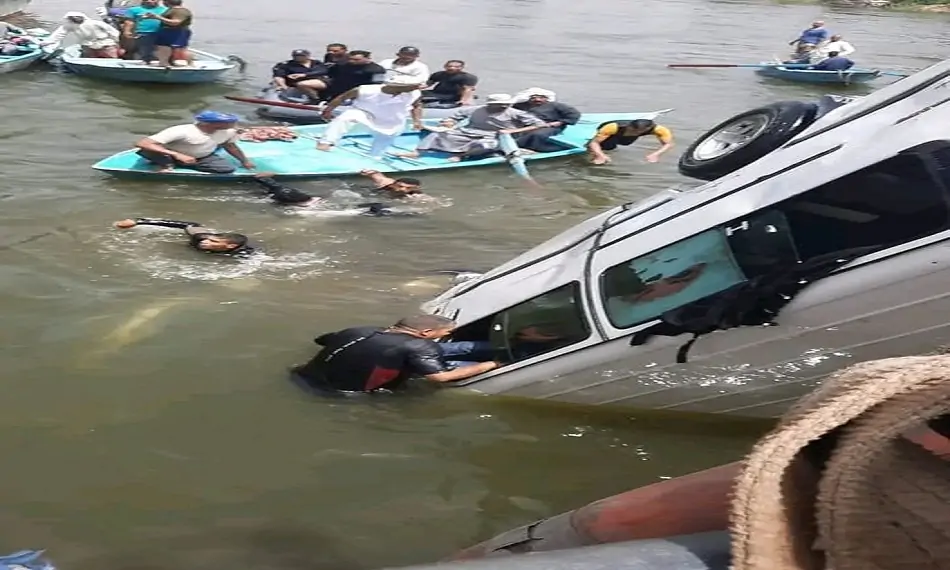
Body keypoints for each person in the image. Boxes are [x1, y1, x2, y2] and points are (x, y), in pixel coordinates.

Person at [291, 314, 500, 393]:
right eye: (446, 332)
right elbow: (440, 377)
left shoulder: (360, 329)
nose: (447, 335)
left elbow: (321, 340)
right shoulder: (421, 346)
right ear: (426, 333)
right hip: (338, 393)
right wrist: (492, 365)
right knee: (465, 364)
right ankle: (507, 354)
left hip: (302, 377)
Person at [394, 93, 547, 162]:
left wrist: (513, 131)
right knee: (438, 134)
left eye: (503, 105)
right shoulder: (477, 109)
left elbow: (539, 124)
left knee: (484, 145)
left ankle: (461, 156)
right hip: (467, 131)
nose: (500, 107)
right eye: (496, 105)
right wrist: (449, 122)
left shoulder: (515, 113)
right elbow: (457, 115)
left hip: (494, 136)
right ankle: (418, 152)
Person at [316, 82, 424, 159]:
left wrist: (417, 121)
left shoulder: (415, 93)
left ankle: (374, 158)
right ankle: (326, 142)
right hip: (364, 112)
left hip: (393, 119)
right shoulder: (365, 90)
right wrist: (328, 111)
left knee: (381, 146)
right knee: (347, 117)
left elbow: (416, 106)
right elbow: (341, 98)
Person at [252, 170, 425, 216]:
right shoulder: (386, 184)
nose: (401, 190)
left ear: (414, 190)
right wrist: (369, 172)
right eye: (400, 185)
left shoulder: (417, 197)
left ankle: (267, 184)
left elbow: (429, 204)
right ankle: (268, 181)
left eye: (406, 189)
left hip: (358, 201)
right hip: (358, 192)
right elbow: (377, 175)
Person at [135, 111, 255, 174]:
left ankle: (184, 164)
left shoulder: (228, 132)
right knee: (147, 150)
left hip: (202, 156)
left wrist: (244, 161)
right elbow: (143, 143)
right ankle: (168, 164)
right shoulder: (182, 130)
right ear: (209, 124)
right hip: (170, 154)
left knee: (226, 169)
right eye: (228, 123)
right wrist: (177, 155)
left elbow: (230, 146)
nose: (232, 125)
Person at [112, 217, 256, 256]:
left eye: (213, 241)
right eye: (209, 239)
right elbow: (186, 224)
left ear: (230, 246)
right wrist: (138, 222)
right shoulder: (200, 236)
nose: (206, 241)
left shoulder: (242, 253)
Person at [511, 88, 580, 153]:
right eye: (533, 98)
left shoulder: (556, 105)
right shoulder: (520, 106)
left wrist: (561, 122)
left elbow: (574, 114)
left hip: (550, 126)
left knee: (537, 134)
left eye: (541, 97)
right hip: (526, 125)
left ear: (546, 98)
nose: (537, 99)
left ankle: (535, 149)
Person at [586, 118, 674, 165]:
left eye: (637, 132)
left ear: (647, 129)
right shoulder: (613, 127)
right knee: (608, 146)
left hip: (626, 138)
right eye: (631, 130)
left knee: (626, 143)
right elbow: (594, 142)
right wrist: (600, 155)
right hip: (611, 133)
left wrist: (655, 154)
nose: (633, 133)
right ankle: (596, 155)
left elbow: (668, 144)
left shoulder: (660, 130)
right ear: (629, 126)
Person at [42, 12, 120, 58]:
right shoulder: (69, 26)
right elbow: (57, 36)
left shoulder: (95, 23)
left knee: (112, 59)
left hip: (106, 45)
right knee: (89, 61)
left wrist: (117, 42)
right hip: (87, 47)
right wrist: (45, 43)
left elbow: (113, 32)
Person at [322, 50, 387, 100]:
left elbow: (376, 86)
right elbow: (331, 75)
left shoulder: (377, 70)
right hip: (337, 93)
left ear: (368, 58)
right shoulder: (342, 65)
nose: (352, 61)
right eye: (350, 59)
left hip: (358, 95)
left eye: (356, 60)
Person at [144, 0, 192, 67]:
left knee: (176, 48)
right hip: (170, 31)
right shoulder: (172, 10)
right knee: (169, 47)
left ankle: (165, 63)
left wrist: (157, 17)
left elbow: (176, 22)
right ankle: (168, 63)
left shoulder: (180, 11)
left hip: (176, 32)